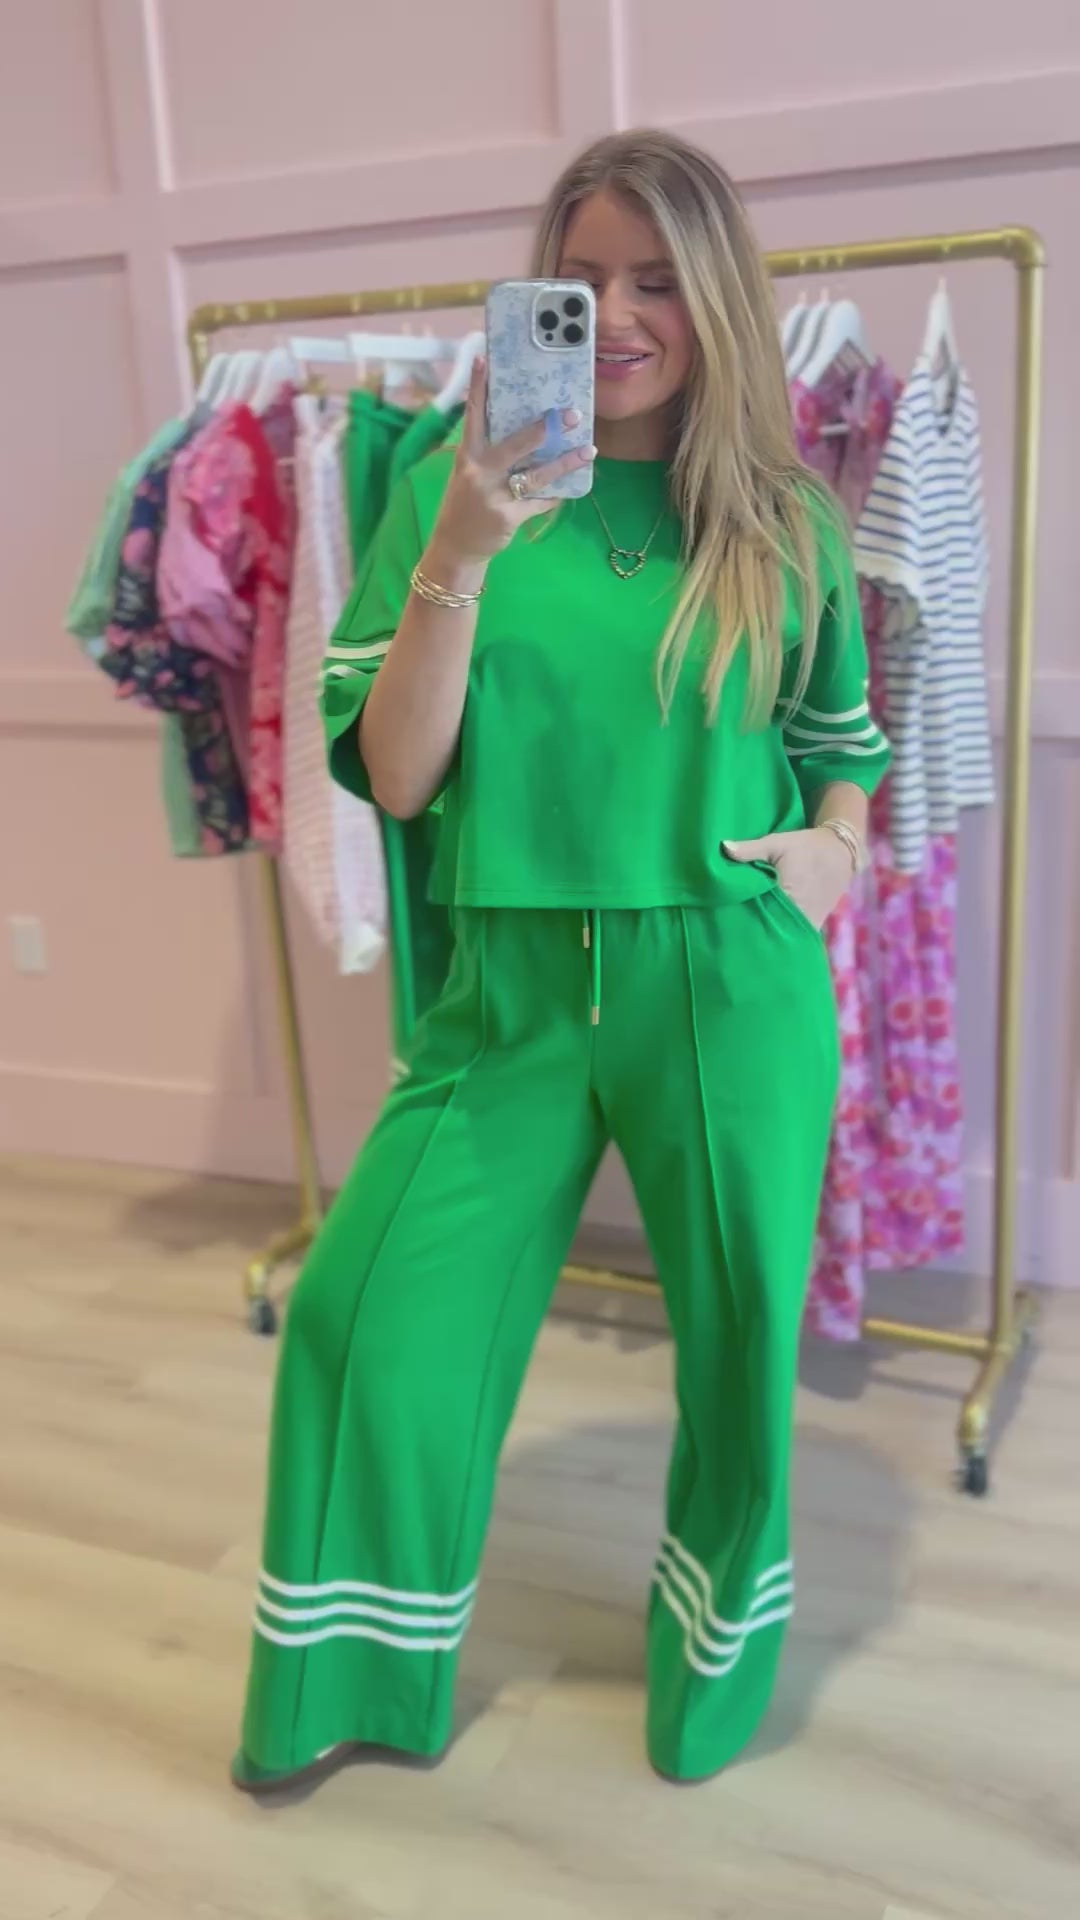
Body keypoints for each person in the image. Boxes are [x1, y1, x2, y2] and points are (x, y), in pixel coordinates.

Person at [232, 128, 889, 1794]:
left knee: (739, 1342)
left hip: (725, 974)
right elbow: (396, 778)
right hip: (509, 987)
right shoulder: (443, 496)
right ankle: (349, 1678)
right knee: (365, 1313)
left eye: (658, 279)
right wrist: (461, 548)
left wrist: (830, 852)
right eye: (582, 281)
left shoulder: (789, 521)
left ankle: (711, 1667)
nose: (618, 315)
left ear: (716, 297)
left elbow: (844, 746)